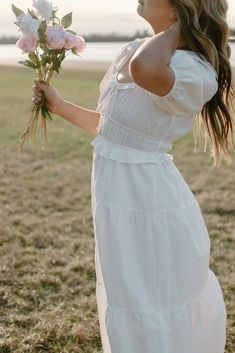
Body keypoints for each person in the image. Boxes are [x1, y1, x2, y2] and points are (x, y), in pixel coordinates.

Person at [32, 0, 234, 352]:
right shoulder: (132, 49)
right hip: (118, 200)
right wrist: (59, 105)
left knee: (149, 300)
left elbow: (145, 69)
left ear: (178, 10)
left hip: (149, 204)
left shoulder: (194, 70)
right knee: (126, 298)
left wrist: (181, 29)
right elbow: (111, 129)